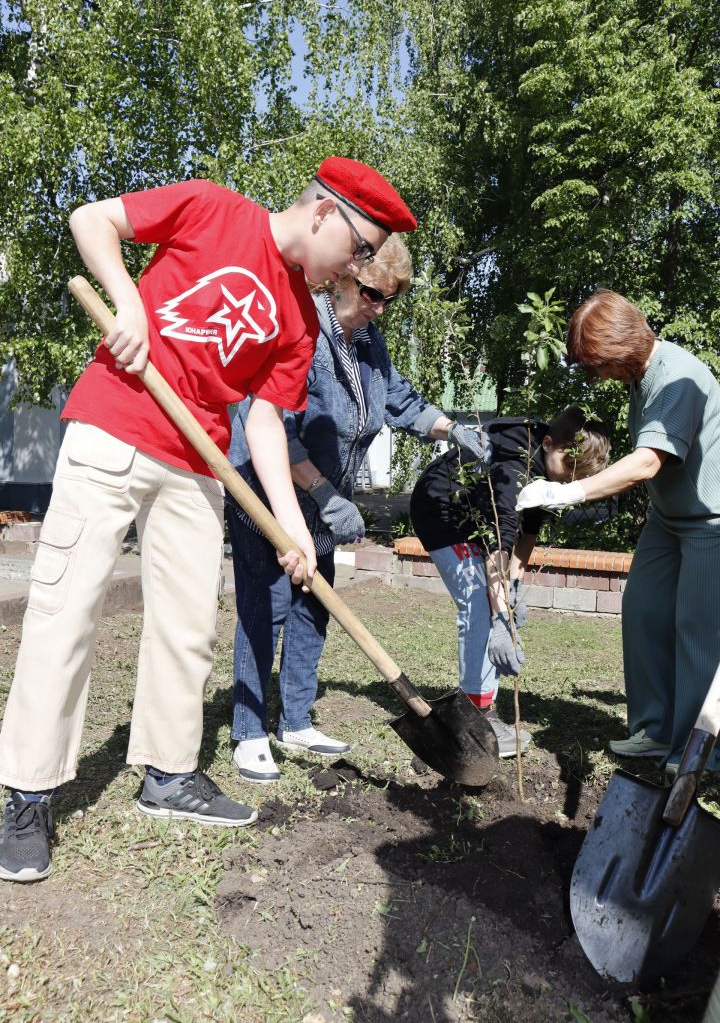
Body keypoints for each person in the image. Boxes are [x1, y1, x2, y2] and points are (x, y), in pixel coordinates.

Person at [0, 156, 417, 882]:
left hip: (199, 468)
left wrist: (292, 532)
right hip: (113, 430)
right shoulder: (211, 207)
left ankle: (167, 773)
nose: (354, 268)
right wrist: (128, 302)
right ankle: (28, 795)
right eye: (356, 249)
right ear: (322, 212)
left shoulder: (298, 319)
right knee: (65, 613)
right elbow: (90, 220)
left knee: (189, 625)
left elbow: (263, 426)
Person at [227, 234, 487, 782]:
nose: (378, 307)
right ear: (343, 276)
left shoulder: (369, 343)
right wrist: (321, 492)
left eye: (389, 298)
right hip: (270, 493)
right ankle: (248, 731)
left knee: (313, 606)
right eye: (371, 293)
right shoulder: (302, 330)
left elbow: (401, 401)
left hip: (325, 503)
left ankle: (294, 720)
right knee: (267, 605)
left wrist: (452, 428)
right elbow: (274, 426)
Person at [516, 289, 720, 777]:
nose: (595, 375)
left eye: (595, 364)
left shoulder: (678, 378)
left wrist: (570, 492)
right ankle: (654, 731)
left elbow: (649, 461)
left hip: (711, 522)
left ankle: (695, 756)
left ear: (618, 350)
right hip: (668, 518)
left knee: (696, 632)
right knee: (644, 612)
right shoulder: (643, 375)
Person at [411, 409, 610, 757]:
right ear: (548, 444)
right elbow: (499, 542)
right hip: (442, 509)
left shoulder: (542, 463)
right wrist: (501, 615)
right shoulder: (512, 470)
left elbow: (528, 530)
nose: (568, 481)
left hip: (478, 521)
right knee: (479, 604)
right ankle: (476, 717)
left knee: (495, 602)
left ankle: (484, 708)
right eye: (570, 469)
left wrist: (514, 587)